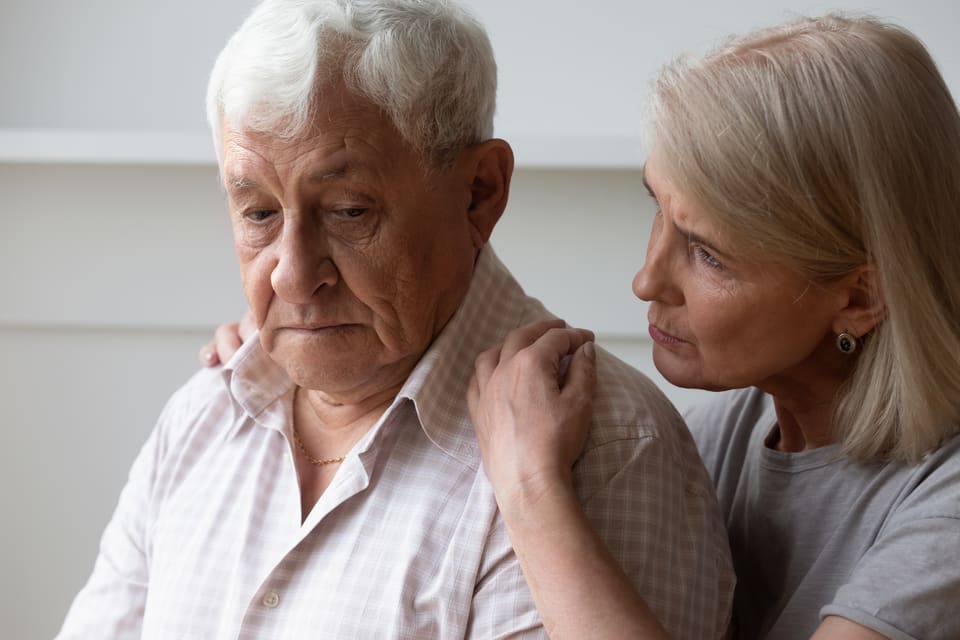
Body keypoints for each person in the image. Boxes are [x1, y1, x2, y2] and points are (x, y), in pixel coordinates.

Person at [204, 10, 960, 640]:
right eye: (656, 211)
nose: (646, 279)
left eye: (707, 254)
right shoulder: (731, 433)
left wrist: (530, 489)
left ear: (860, 298)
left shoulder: (946, 510)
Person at [56, 0, 733, 638]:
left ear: (480, 192)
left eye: (349, 211)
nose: (292, 275)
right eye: (259, 213)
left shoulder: (604, 451)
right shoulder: (203, 416)